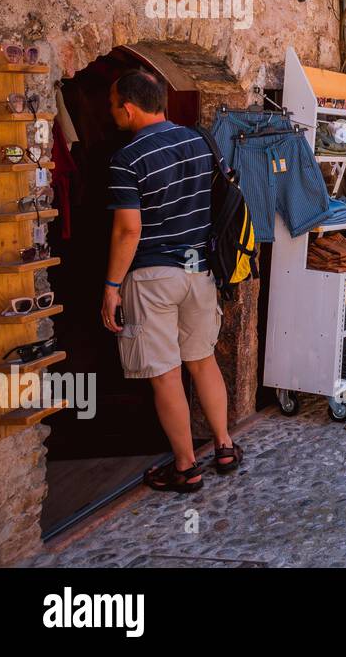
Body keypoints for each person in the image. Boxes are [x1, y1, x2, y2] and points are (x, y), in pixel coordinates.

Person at [102, 70, 242, 492]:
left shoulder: (126, 159)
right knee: (202, 361)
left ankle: (185, 467)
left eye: (112, 108)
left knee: (165, 374)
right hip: (199, 272)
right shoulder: (199, 140)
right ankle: (224, 445)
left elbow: (129, 231)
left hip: (152, 277)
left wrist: (110, 288)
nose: (112, 115)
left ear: (128, 108)